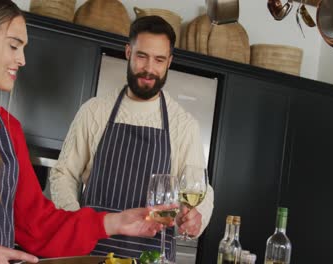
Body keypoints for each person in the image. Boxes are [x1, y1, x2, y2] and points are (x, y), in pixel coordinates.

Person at [0, 1, 168, 263]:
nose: (22, 59)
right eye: (14, 45)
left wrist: (114, 221)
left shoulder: (8, 129)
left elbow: (37, 224)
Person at [50, 15, 214, 260]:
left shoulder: (184, 125)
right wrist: (77, 224)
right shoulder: (94, 111)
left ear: (169, 61)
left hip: (151, 256)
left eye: (159, 59)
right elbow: (64, 174)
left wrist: (196, 216)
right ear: (128, 52)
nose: (149, 68)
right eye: (142, 56)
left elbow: (201, 190)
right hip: (91, 254)